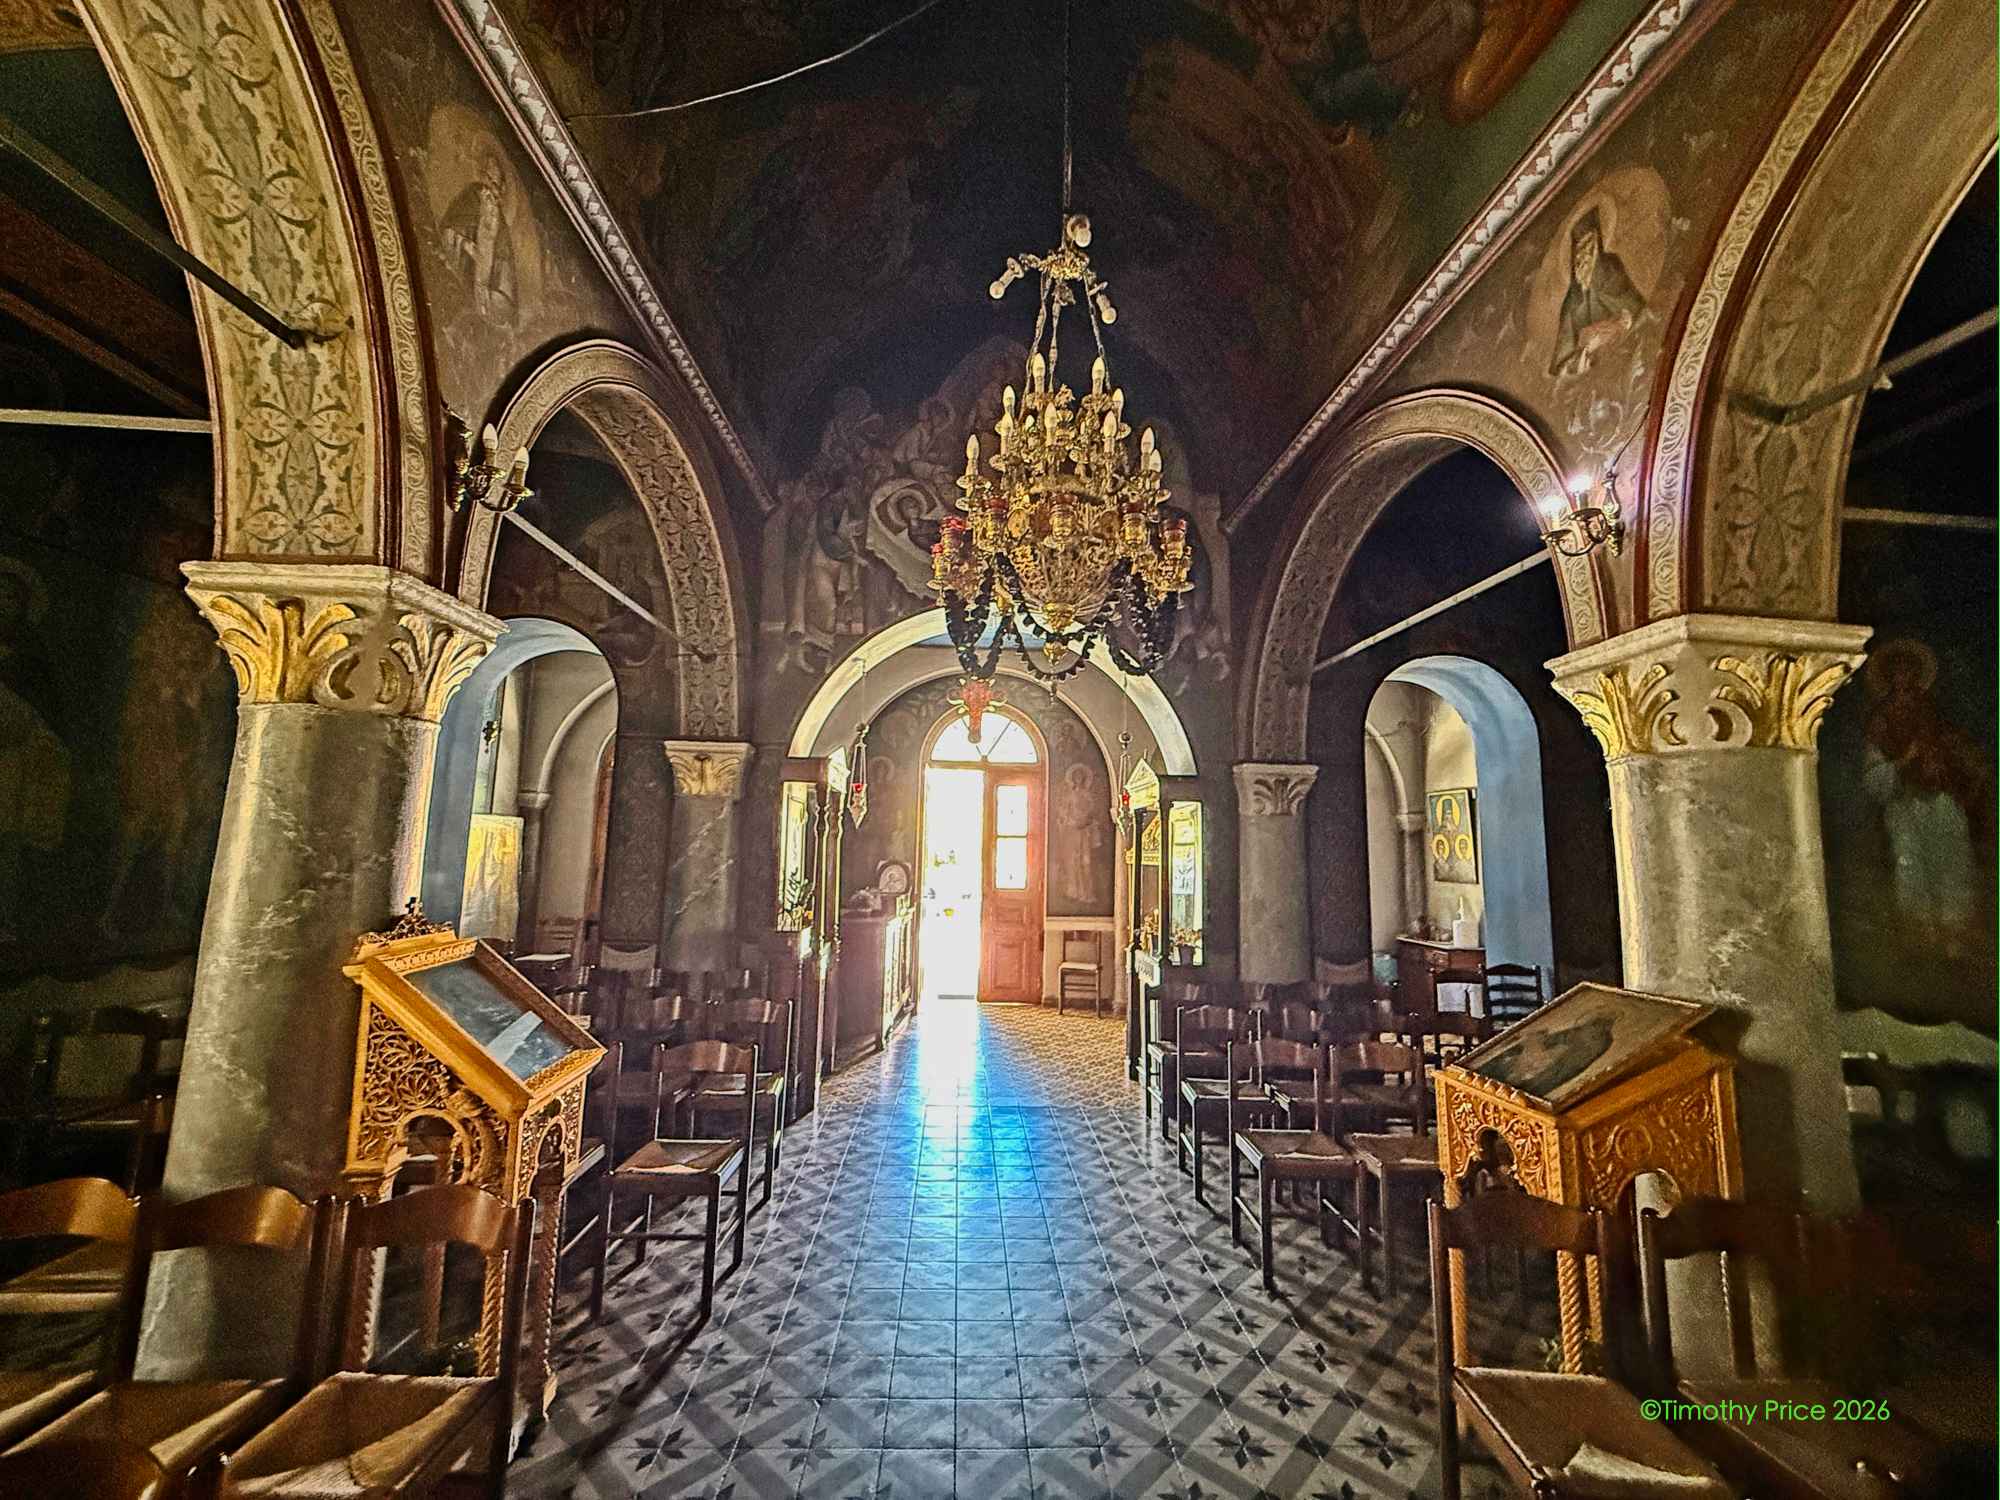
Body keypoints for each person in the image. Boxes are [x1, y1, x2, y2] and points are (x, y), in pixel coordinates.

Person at [1549, 208, 1646, 378]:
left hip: (1621, 349)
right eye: (1579, 251)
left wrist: (1613, 327)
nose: (1583, 257)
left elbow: (1635, 309)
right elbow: (1563, 356)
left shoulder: (1611, 268)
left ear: (1597, 244)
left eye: (1588, 247)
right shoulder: (1572, 298)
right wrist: (1582, 350)